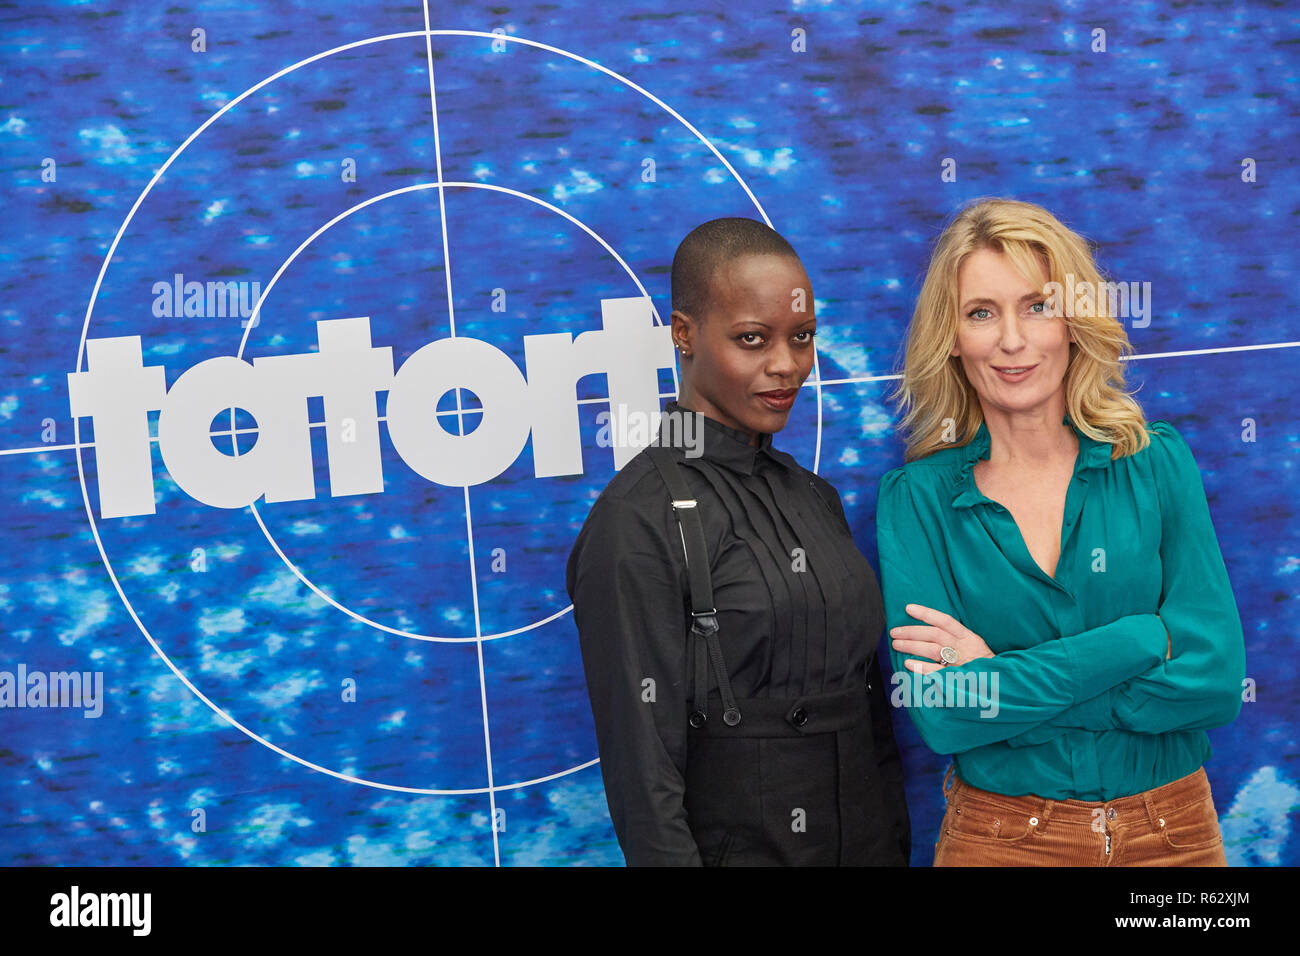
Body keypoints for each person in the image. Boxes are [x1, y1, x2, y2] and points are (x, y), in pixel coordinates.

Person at [875, 197, 1246, 866]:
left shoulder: (1157, 464)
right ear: (952, 337)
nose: (1011, 340)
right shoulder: (917, 502)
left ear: (1073, 320)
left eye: (1037, 306)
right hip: (1003, 843)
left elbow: (1216, 682)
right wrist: (1141, 639)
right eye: (981, 313)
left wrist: (1002, 681)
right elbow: (945, 713)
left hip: (1174, 837)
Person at [566, 217, 911, 866]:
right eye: (752, 339)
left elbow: (873, 721)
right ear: (684, 334)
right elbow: (645, 778)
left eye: (801, 338)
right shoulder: (635, 523)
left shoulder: (816, 498)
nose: (785, 365)